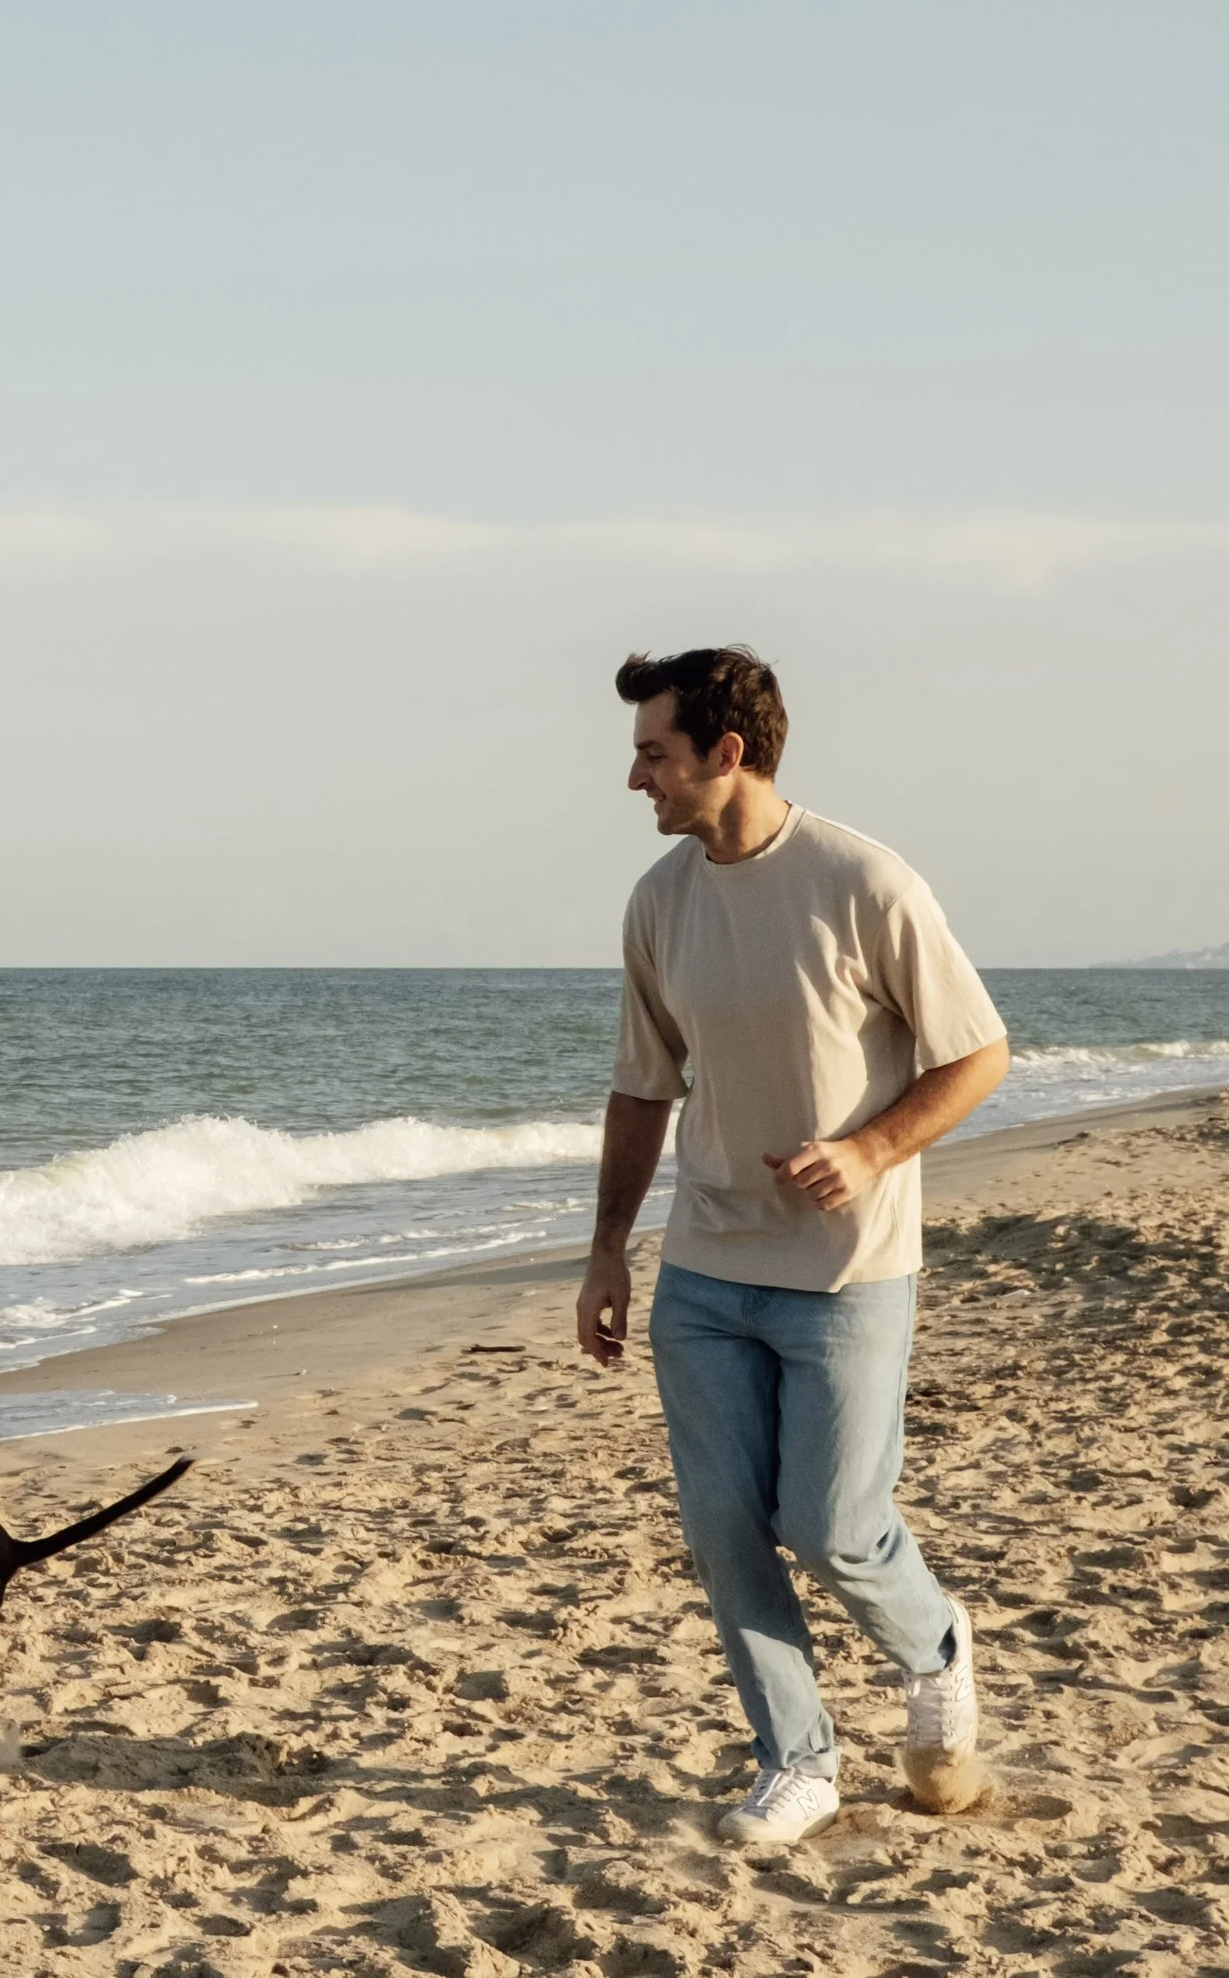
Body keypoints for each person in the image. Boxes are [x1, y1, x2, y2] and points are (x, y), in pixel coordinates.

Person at [576, 646, 1009, 1848]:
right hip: (707, 1267)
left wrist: (870, 1149)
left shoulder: (864, 879)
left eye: (652, 751)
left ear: (725, 751)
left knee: (828, 1523)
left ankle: (935, 1641)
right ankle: (797, 1758)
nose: (633, 778)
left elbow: (976, 1050)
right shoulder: (659, 901)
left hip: (847, 1270)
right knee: (723, 1526)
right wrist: (608, 1248)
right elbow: (639, 1086)